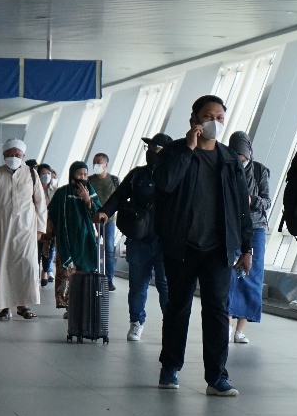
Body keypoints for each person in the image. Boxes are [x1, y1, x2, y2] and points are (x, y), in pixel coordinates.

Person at [153, 95, 253, 396]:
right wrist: (188, 148)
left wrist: (247, 247)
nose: (214, 122)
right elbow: (165, 184)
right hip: (181, 245)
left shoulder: (230, 160)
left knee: (217, 310)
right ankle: (170, 367)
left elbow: (241, 207)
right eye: (208, 116)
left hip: (218, 248)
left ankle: (217, 377)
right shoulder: (173, 152)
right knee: (178, 307)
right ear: (194, 119)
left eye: (219, 117)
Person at [108, 133, 173, 342]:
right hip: (139, 239)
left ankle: (171, 326)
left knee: (165, 286)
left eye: (155, 147)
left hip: (165, 242)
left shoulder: (175, 175)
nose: (150, 151)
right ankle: (136, 322)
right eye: (149, 147)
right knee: (137, 285)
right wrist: (104, 212)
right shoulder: (138, 175)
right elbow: (118, 196)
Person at [0, 139, 48, 320]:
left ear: (23, 155)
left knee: (27, 266)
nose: (13, 157)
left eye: (17, 154)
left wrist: (40, 228)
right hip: (1, 228)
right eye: (10, 154)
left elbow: (40, 203)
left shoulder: (31, 174)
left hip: (26, 229)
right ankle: (5, 308)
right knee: (3, 267)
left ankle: (23, 305)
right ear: (4, 155)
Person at [226, 131, 272, 344]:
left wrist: (251, 200)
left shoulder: (260, 171)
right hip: (230, 226)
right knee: (228, 275)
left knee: (251, 275)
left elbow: (267, 201)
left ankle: (240, 329)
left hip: (255, 228)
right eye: (236, 157)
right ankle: (226, 324)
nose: (240, 162)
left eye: (243, 158)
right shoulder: (224, 169)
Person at [47, 162, 103, 314]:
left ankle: (83, 305)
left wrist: (87, 200)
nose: (83, 177)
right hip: (66, 240)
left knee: (85, 272)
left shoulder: (90, 191)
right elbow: (52, 214)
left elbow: (99, 214)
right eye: (79, 174)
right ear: (72, 174)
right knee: (67, 273)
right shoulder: (62, 193)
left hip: (85, 239)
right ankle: (69, 306)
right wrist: (47, 238)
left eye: (85, 174)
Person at [89, 152, 121, 290]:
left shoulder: (114, 181)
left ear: (106, 165)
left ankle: (108, 279)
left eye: (99, 163)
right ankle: (93, 276)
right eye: (94, 163)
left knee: (108, 249)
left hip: (109, 221)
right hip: (93, 221)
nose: (96, 165)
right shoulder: (90, 180)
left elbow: (119, 198)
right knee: (94, 248)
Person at [37, 163, 60, 288]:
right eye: (43, 173)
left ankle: (45, 271)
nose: (46, 176)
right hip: (35, 223)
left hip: (49, 225)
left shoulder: (55, 190)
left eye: (48, 173)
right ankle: (34, 273)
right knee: (35, 250)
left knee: (47, 250)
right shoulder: (33, 188)